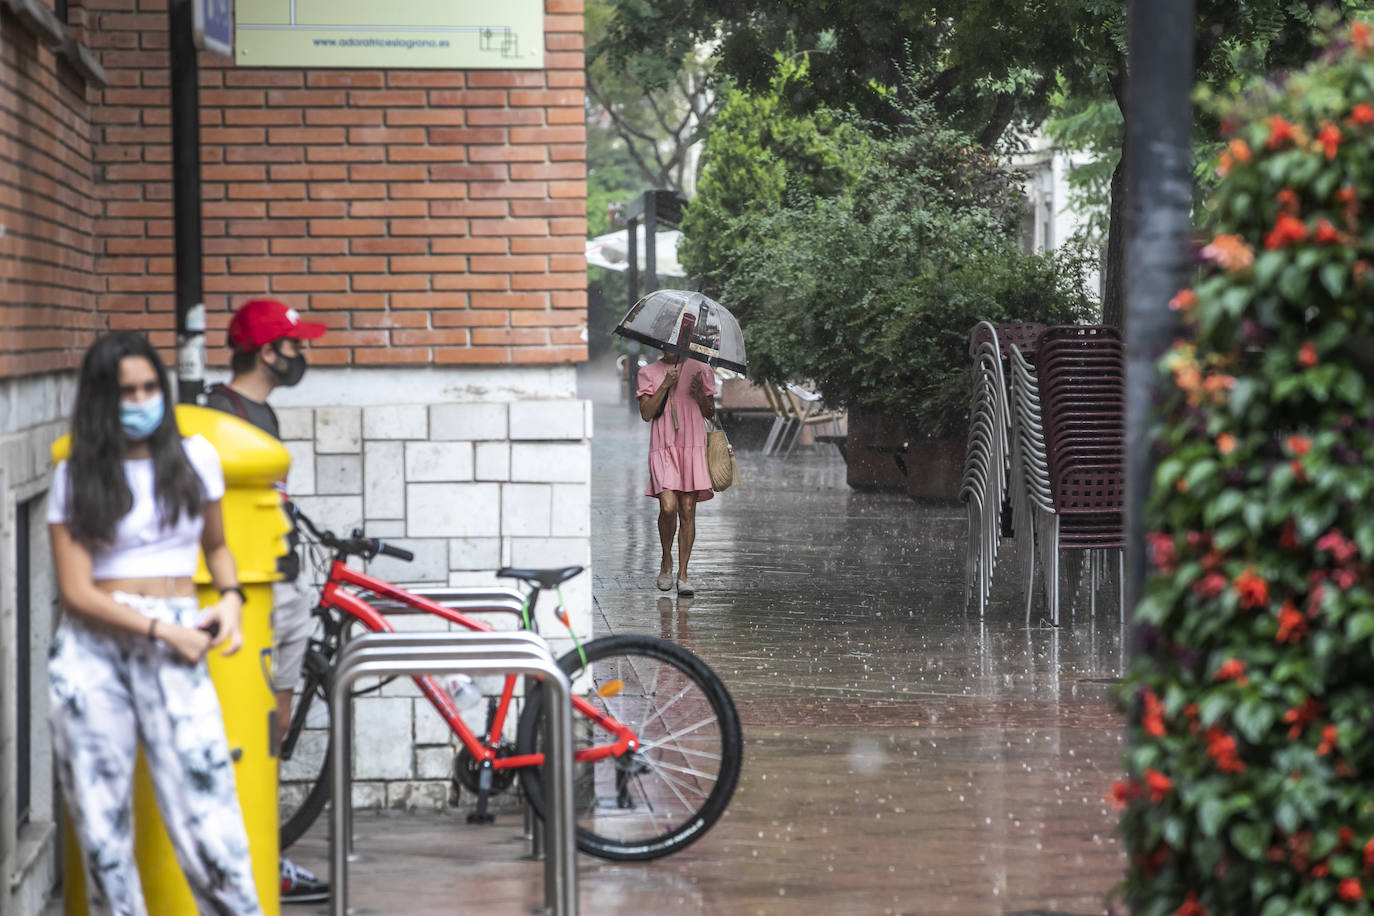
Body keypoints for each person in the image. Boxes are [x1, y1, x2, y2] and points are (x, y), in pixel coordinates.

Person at [47, 331, 262, 916]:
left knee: (210, 817)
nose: (140, 401)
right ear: (99, 400)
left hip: (177, 639)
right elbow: (75, 592)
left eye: (149, 388)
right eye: (125, 392)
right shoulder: (76, 476)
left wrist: (233, 600)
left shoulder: (195, 458)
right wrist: (162, 630)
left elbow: (217, 548)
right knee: (101, 830)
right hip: (96, 649)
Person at [205, 298, 329, 904]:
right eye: (295, 343)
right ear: (266, 350)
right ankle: (235, 858)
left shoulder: (264, 414)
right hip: (246, 594)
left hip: (283, 583)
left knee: (274, 729)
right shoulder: (218, 414)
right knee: (241, 728)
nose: (304, 353)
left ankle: (263, 852)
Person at [636, 348, 717, 596]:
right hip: (664, 446)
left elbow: (709, 411)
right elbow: (646, 414)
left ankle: (683, 573)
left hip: (692, 445)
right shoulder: (647, 372)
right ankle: (666, 560)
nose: (670, 347)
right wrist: (665, 385)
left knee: (688, 510)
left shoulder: (701, 370)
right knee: (668, 507)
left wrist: (698, 394)